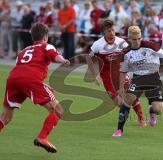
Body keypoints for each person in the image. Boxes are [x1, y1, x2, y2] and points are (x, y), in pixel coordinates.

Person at [0, 23, 70, 153]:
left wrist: (42, 84)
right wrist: (63, 60)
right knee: (58, 109)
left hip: (13, 79)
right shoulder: (46, 46)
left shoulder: (23, 51)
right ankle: (42, 137)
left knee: (5, 117)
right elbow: (55, 55)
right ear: (45, 37)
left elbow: (23, 69)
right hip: (30, 80)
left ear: (33, 37)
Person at [112, 26, 163, 137]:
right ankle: (119, 129)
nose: (137, 41)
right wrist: (121, 88)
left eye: (139, 38)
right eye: (134, 39)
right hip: (137, 79)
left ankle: (151, 111)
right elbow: (123, 71)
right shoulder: (126, 53)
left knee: (158, 109)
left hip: (153, 79)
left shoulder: (151, 46)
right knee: (127, 100)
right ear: (129, 39)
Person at [86, 20, 147, 127]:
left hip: (121, 74)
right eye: (109, 31)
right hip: (107, 78)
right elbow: (88, 57)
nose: (112, 33)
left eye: (113, 30)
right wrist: (95, 74)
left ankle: (141, 118)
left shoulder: (121, 42)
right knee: (119, 103)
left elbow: (130, 55)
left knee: (131, 96)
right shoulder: (98, 45)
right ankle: (125, 114)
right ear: (104, 32)